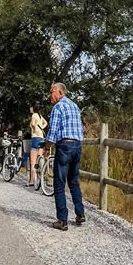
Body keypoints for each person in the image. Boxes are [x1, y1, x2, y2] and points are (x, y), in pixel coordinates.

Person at [43, 83, 84, 231]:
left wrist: (47, 148)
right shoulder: (74, 105)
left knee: (59, 183)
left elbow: (52, 131)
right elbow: (80, 128)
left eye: (51, 92)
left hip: (65, 146)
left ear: (60, 93)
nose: (50, 95)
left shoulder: (58, 107)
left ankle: (62, 220)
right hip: (77, 145)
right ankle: (80, 213)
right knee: (73, 181)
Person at [28, 104, 48, 188]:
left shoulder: (34, 115)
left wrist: (34, 128)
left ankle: (32, 180)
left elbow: (32, 124)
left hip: (35, 138)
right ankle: (42, 178)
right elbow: (46, 123)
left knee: (33, 161)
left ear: (34, 109)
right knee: (39, 158)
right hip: (41, 138)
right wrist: (41, 128)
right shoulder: (40, 116)